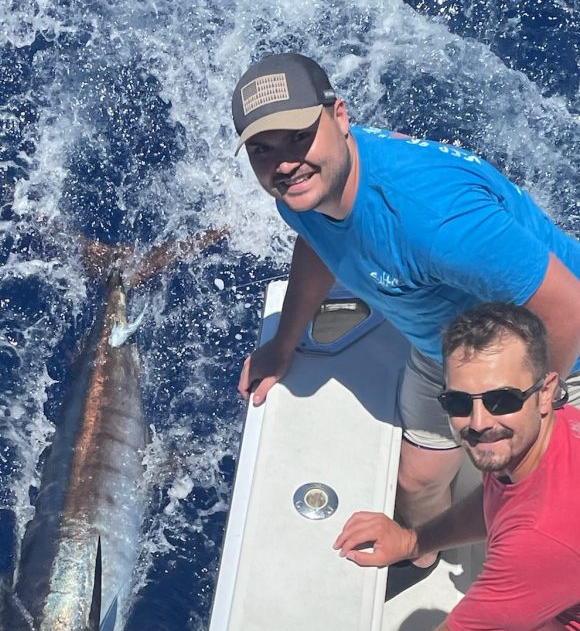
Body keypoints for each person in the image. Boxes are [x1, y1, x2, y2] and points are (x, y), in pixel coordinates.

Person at [233, 52, 580, 580]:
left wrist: (537, 404)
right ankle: (422, 557)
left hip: (556, 354)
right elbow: (318, 241)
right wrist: (284, 343)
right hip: (447, 347)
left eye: (300, 137)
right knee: (417, 483)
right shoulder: (304, 191)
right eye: (264, 148)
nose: (284, 163)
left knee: (539, 519)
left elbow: (567, 306)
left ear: (340, 115)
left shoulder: (433, 221)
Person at [273, 302, 580, 631]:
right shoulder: (542, 436)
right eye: (459, 402)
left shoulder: (542, 537)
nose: (478, 422)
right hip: (559, 627)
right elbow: (496, 501)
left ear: (546, 391)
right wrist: (414, 541)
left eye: (501, 399)